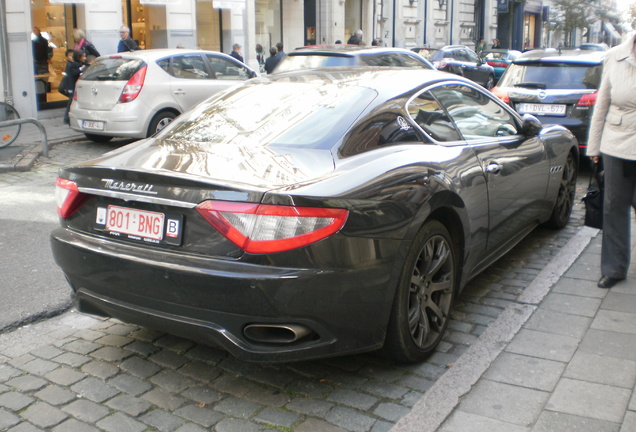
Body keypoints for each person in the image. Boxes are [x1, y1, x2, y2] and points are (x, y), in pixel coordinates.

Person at [586, 32, 636, 289]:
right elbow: (602, 104)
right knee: (614, 207)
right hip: (616, 144)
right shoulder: (615, 56)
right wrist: (594, 147)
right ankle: (614, 268)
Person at [59, 49, 86, 125]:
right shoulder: (73, 64)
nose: (84, 58)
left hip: (74, 86)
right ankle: (67, 118)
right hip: (71, 86)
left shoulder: (78, 63)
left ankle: (68, 118)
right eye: (83, 56)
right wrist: (81, 68)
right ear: (79, 57)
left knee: (72, 102)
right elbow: (72, 73)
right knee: (71, 102)